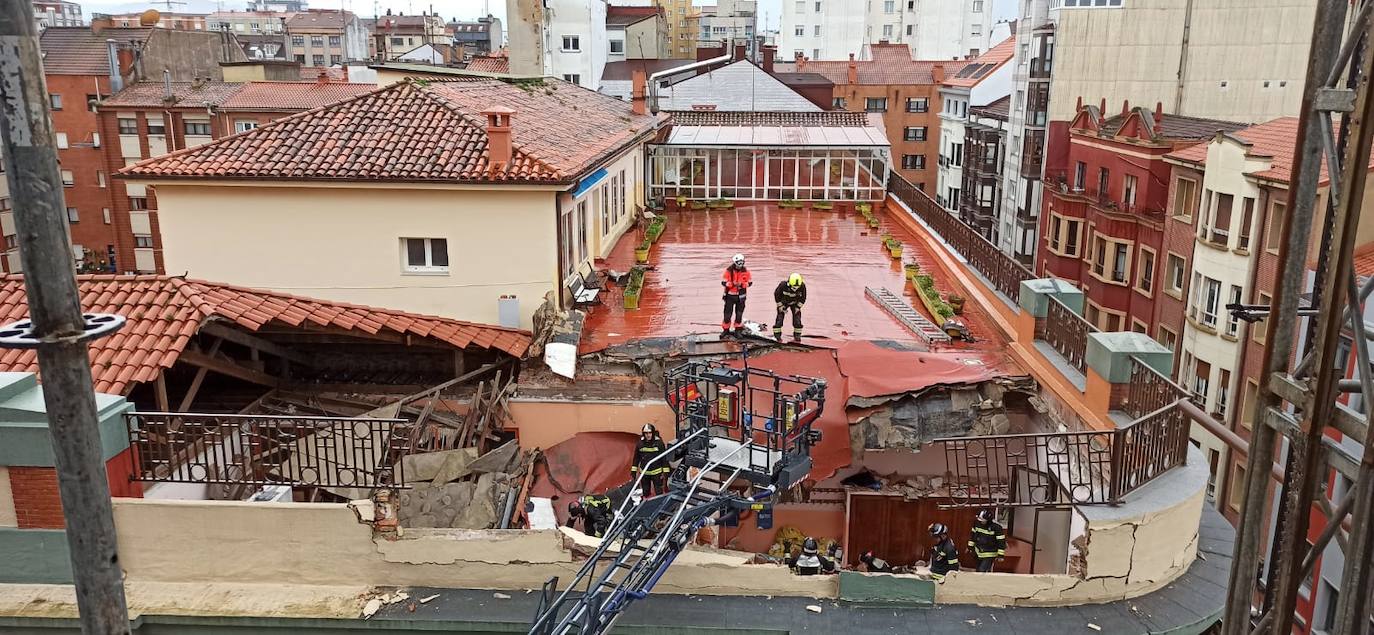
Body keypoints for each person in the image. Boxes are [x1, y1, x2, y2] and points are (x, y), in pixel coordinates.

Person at [632, 423, 669, 497]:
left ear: (653, 433)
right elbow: (636, 458)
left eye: (650, 433)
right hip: (645, 473)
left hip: (657, 473)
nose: (648, 435)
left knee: (659, 492)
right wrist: (633, 470)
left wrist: (666, 474)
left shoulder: (659, 443)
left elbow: (664, 459)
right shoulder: (640, 444)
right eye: (646, 433)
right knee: (646, 493)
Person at [721, 253, 753, 336]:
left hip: (741, 297)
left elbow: (750, 282)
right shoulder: (729, 271)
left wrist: (742, 284)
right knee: (727, 315)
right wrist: (730, 284)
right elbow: (723, 282)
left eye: (742, 263)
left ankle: (738, 330)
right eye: (739, 263)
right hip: (730, 296)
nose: (740, 265)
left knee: (739, 314)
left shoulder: (746, 272)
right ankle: (726, 330)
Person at [772, 273, 808, 341]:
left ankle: (797, 335)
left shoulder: (802, 286)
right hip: (783, 302)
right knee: (779, 319)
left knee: (797, 320)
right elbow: (776, 295)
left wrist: (798, 307)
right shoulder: (782, 285)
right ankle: (777, 335)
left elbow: (803, 298)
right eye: (794, 287)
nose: (795, 289)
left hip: (795, 303)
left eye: (797, 287)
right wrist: (780, 305)